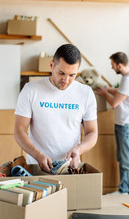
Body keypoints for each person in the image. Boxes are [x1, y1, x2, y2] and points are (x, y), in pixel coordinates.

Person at [14, 44, 98, 174]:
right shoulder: (30, 90)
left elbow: (92, 132)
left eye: (72, 75)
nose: (66, 80)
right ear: (52, 65)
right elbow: (19, 131)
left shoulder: (85, 93)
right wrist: (37, 155)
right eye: (61, 73)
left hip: (69, 168)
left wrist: (78, 150)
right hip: (36, 167)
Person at [95, 52, 129, 195]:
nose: (112, 68)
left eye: (113, 65)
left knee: (128, 161)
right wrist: (108, 89)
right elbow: (121, 92)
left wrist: (104, 94)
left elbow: (114, 103)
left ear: (119, 65)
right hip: (123, 124)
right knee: (123, 158)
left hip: (126, 125)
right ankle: (124, 190)